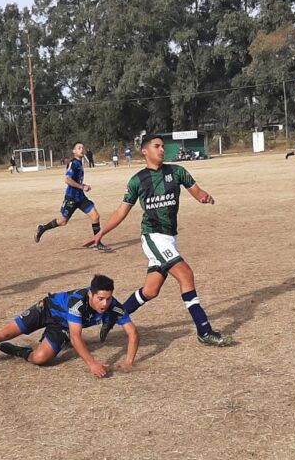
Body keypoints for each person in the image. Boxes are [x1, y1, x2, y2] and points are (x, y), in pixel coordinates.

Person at [85, 134, 232, 347]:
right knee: (186, 274)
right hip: (153, 236)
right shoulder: (137, 180)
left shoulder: (177, 171)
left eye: (163, 146)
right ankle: (204, 331)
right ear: (145, 151)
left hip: (170, 238)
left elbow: (197, 192)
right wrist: (101, 234)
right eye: (157, 146)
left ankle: (113, 315)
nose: (162, 149)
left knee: (150, 291)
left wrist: (204, 197)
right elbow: (121, 212)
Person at [0, 274, 139, 377]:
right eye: (100, 298)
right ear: (90, 294)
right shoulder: (78, 302)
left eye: (108, 298)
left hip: (62, 326)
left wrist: (129, 361)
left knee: (40, 358)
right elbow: (76, 337)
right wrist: (92, 364)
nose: (105, 303)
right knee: (3, 333)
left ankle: (18, 351)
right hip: (46, 310)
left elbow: (132, 333)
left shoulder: (114, 306)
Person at [34, 141, 110, 251]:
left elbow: (75, 181)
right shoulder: (73, 163)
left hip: (81, 197)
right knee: (63, 221)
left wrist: (83, 186)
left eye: (83, 148)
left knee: (95, 216)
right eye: (79, 148)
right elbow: (67, 179)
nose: (82, 149)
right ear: (74, 151)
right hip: (71, 198)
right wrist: (81, 186)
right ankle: (42, 228)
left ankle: (97, 243)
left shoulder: (79, 163)